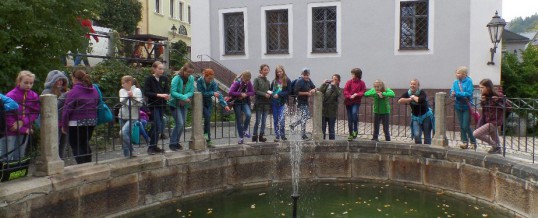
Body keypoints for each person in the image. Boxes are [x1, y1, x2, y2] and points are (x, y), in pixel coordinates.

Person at [61, 69, 99, 164]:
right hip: (91, 121)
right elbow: (97, 103)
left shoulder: (74, 92)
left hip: (76, 122)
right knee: (85, 143)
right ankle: (88, 164)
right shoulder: (94, 90)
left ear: (74, 78)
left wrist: (64, 126)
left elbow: (67, 110)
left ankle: (82, 165)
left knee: (76, 145)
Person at [1, 71, 40, 161]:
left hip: (25, 129)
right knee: (7, 155)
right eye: (26, 83)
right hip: (10, 130)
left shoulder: (34, 95)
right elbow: (6, 114)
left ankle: (18, 172)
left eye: (31, 83)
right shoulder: (11, 95)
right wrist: (17, 126)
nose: (28, 85)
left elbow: (35, 112)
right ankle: (5, 173)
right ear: (19, 82)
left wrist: (23, 122)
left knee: (20, 155)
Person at [473, 79, 508, 154]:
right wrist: (483, 102)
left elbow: (508, 107)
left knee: (476, 134)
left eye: (482, 87)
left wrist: (498, 100)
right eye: (480, 87)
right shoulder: (485, 96)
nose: (480, 89)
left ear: (488, 87)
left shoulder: (498, 96)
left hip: (494, 121)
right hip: (488, 120)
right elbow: (485, 110)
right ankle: (497, 149)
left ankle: (495, 146)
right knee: (494, 136)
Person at [197, 68, 230, 147]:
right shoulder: (200, 81)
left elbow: (218, 94)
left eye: (212, 78)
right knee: (206, 118)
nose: (210, 80)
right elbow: (201, 92)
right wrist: (212, 93)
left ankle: (207, 139)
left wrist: (225, 105)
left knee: (207, 122)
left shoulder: (213, 83)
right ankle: (204, 139)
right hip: (200, 102)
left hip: (208, 103)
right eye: (209, 78)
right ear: (205, 76)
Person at [42, 70, 70, 158]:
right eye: (58, 80)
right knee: (54, 145)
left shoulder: (64, 91)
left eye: (62, 80)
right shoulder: (47, 92)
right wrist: (64, 97)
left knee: (62, 145)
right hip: (53, 124)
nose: (60, 82)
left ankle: (61, 162)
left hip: (64, 122)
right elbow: (52, 107)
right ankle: (53, 162)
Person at [143, 61, 170, 155]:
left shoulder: (164, 79)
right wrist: (159, 95)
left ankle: (154, 146)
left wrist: (167, 95)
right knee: (157, 125)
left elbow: (167, 90)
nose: (161, 70)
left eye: (162, 69)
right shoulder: (149, 79)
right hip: (153, 105)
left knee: (158, 125)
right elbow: (146, 92)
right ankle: (151, 146)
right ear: (154, 69)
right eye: (159, 68)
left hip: (161, 105)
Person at [168, 63, 195, 151]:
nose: (189, 74)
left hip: (184, 104)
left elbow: (191, 91)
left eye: (191, 73)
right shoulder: (176, 78)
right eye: (188, 72)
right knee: (179, 123)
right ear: (183, 70)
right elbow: (173, 91)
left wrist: (185, 98)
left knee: (182, 124)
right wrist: (183, 97)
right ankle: (172, 143)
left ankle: (176, 142)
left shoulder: (191, 78)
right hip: (174, 103)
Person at [398, 79, 434, 144]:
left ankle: (427, 151)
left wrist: (413, 97)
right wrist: (410, 99)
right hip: (415, 117)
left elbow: (420, 100)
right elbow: (400, 100)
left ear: (418, 85)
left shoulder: (422, 92)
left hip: (426, 115)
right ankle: (419, 150)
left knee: (427, 136)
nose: (412, 85)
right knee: (417, 135)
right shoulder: (408, 93)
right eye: (411, 84)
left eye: (414, 84)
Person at [450, 66, 477, 149]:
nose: (457, 74)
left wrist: (457, 94)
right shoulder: (455, 82)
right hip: (458, 105)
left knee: (465, 125)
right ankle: (464, 142)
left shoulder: (469, 81)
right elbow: (452, 91)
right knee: (461, 125)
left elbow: (468, 93)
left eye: (459, 73)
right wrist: (452, 93)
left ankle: (473, 141)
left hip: (467, 106)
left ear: (464, 74)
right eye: (456, 73)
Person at [119, 76, 143, 158]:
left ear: (129, 82)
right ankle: (127, 155)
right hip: (122, 115)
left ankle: (132, 151)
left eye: (123, 83)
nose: (122, 85)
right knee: (125, 135)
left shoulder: (137, 90)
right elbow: (122, 102)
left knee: (123, 132)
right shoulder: (122, 91)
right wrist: (127, 96)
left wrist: (132, 97)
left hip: (133, 116)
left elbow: (140, 104)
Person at [289, 68, 316, 140]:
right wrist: (306, 93)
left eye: (307, 75)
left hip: (305, 101)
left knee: (305, 117)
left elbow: (314, 87)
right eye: (304, 75)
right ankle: (302, 134)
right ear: (302, 75)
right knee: (305, 117)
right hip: (299, 102)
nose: (306, 76)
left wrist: (312, 90)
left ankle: (294, 126)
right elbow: (296, 93)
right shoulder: (299, 81)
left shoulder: (309, 80)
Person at [229, 71, 255, 144]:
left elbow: (252, 92)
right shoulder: (237, 82)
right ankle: (240, 137)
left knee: (248, 114)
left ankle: (245, 130)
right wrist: (240, 94)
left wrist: (246, 94)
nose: (247, 82)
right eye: (246, 80)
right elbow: (230, 92)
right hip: (237, 103)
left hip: (244, 102)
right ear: (242, 78)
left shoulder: (248, 82)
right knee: (239, 120)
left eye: (248, 80)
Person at [343, 68, 366, 140]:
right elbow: (345, 91)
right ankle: (350, 134)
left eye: (353, 74)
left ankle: (355, 130)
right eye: (352, 74)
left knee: (354, 113)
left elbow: (363, 91)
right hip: (348, 102)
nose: (352, 75)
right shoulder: (349, 82)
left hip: (356, 102)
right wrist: (350, 96)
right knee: (350, 119)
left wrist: (356, 94)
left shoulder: (362, 83)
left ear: (357, 75)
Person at [270, 65, 291, 142]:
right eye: (277, 72)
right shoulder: (274, 81)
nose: (279, 73)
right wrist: (270, 93)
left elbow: (288, 91)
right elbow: (271, 89)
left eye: (280, 71)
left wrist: (279, 94)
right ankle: (277, 136)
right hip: (274, 103)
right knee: (275, 119)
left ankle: (283, 135)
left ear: (283, 71)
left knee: (281, 119)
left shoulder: (287, 80)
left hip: (282, 102)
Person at [252, 64, 271, 142]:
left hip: (266, 103)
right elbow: (255, 91)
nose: (266, 71)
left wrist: (270, 93)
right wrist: (264, 94)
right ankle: (254, 135)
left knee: (264, 121)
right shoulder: (256, 79)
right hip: (259, 103)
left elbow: (268, 90)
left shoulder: (268, 81)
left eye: (267, 69)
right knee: (258, 120)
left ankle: (261, 136)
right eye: (265, 70)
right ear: (261, 71)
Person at [320, 74, 341, 140]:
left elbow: (338, 94)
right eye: (333, 79)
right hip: (324, 110)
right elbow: (320, 91)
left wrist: (334, 86)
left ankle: (332, 143)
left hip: (332, 112)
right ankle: (322, 141)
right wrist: (324, 83)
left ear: (338, 81)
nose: (333, 81)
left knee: (331, 129)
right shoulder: (326, 87)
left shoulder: (338, 89)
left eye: (335, 79)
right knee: (322, 128)